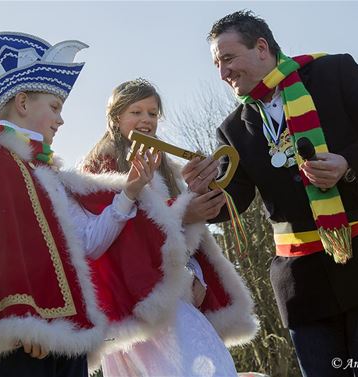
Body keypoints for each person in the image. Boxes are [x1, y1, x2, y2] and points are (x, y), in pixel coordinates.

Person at [182, 10, 358, 377]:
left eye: (228, 58)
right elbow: (232, 202)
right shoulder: (233, 130)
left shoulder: (334, 72)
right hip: (303, 286)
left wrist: (348, 163)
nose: (222, 73)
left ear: (262, 47)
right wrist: (205, 189)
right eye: (216, 64)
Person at [0, 32, 159, 377]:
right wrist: (22, 319)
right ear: (24, 103)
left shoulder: (42, 173)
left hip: (62, 337)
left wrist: (130, 192)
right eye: (55, 107)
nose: (61, 120)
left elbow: (88, 242)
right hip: (24, 343)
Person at [75, 78, 258, 376]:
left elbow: (181, 241)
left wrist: (196, 274)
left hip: (172, 293)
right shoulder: (101, 167)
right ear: (116, 117)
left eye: (152, 113)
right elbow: (116, 239)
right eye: (136, 112)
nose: (146, 120)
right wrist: (185, 211)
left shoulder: (167, 168)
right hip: (137, 302)